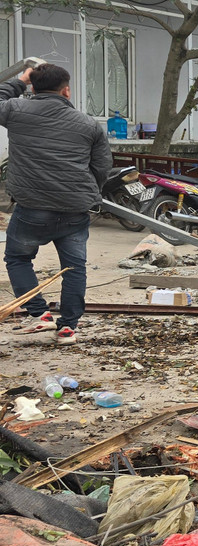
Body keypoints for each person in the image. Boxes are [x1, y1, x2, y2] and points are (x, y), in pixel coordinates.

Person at [0, 63, 112, 345]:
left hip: (31, 208)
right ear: (66, 91)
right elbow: (102, 167)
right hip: (74, 209)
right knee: (75, 268)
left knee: (17, 258)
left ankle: (40, 315)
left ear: (33, 88)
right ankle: (68, 328)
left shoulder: (16, 110)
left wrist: (20, 81)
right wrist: (87, 193)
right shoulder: (88, 124)